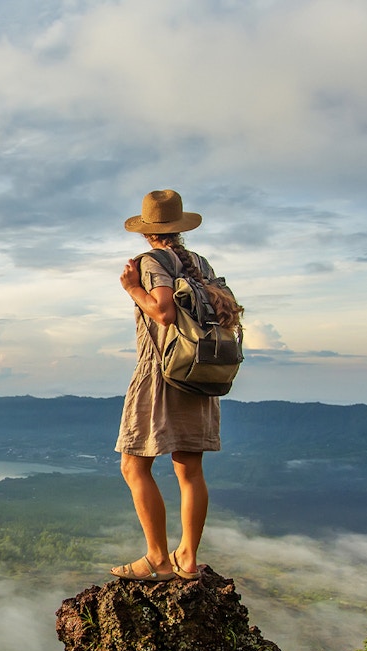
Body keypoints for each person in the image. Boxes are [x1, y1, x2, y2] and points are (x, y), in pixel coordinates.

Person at [110, 189, 243, 582]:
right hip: (199, 371)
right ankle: (187, 556)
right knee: (190, 469)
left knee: (133, 466)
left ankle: (157, 558)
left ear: (147, 231)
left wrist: (133, 289)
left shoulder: (151, 262)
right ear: (180, 227)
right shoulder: (199, 264)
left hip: (163, 371)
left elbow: (164, 313)